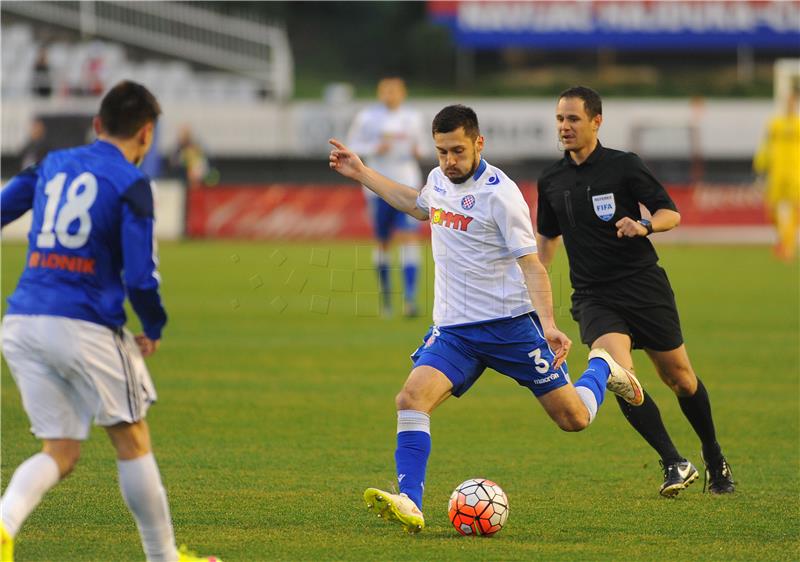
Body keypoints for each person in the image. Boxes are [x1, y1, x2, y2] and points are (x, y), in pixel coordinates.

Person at [329, 104, 645, 534]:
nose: (449, 161)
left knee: (574, 419)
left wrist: (548, 325)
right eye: (441, 152)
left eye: (457, 151)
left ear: (479, 143)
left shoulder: (501, 194)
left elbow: (532, 265)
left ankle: (603, 366)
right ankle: (411, 500)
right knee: (410, 400)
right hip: (456, 331)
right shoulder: (438, 180)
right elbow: (419, 206)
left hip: (511, 327)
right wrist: (363, 172)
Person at [0, 81, 220, 562]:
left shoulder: (51, 164)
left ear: (98, 125)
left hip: (20, 320)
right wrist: (155, 325)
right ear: (146, 134)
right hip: (83, 324)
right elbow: (141, 276)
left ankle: (3, 524)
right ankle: (164, 558)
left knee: (60, 449)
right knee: (131, 437)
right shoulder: (132, 183)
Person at [535, 86, 735, 497]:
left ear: (596, 121)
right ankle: (673, 462)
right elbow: (546, 243)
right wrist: (533, 289)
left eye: (573, 119)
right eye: (560, 119)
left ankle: (714, 457)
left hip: (643, 287)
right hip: (594, 296)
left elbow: (670, 213)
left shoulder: (624, 166)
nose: (564, 127)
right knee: (618, 375)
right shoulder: (551, 180)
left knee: (679, 379)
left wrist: (644, 225)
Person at [346, 77, 426, 316]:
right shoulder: (367, 117)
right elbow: (352, 145)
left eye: (395, 91)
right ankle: (387, 298)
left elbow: (422, 147)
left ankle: (409, 299)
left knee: (408, 237)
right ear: (380, 93)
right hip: (376, 186)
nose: (390, 95)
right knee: (382, 241)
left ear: (403, 93)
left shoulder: (413, 117)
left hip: (406, 184)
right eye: (386, 91)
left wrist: (416, 150)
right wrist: (374, 148)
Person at [754, 88, 800, 262]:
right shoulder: (775, 124)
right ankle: (782, 239)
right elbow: (766, 145)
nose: (790, 105)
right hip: (777, 172)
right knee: (772, 209)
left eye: (793, 102)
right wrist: (760, 166)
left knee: (796, 208)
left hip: (796, 173)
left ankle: (788, 247)